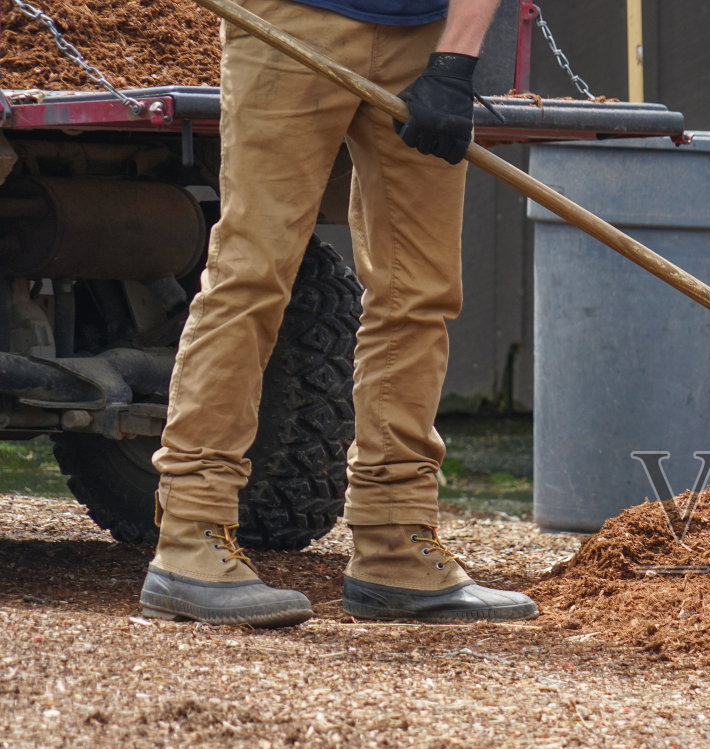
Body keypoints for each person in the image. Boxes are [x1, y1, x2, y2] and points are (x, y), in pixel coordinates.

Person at [139, 0, 537, 628]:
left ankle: (394, 542)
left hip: (425, 40)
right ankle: (190, 536)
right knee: (253, 274)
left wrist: (456, 63)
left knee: (420, 290)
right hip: (290, 20)